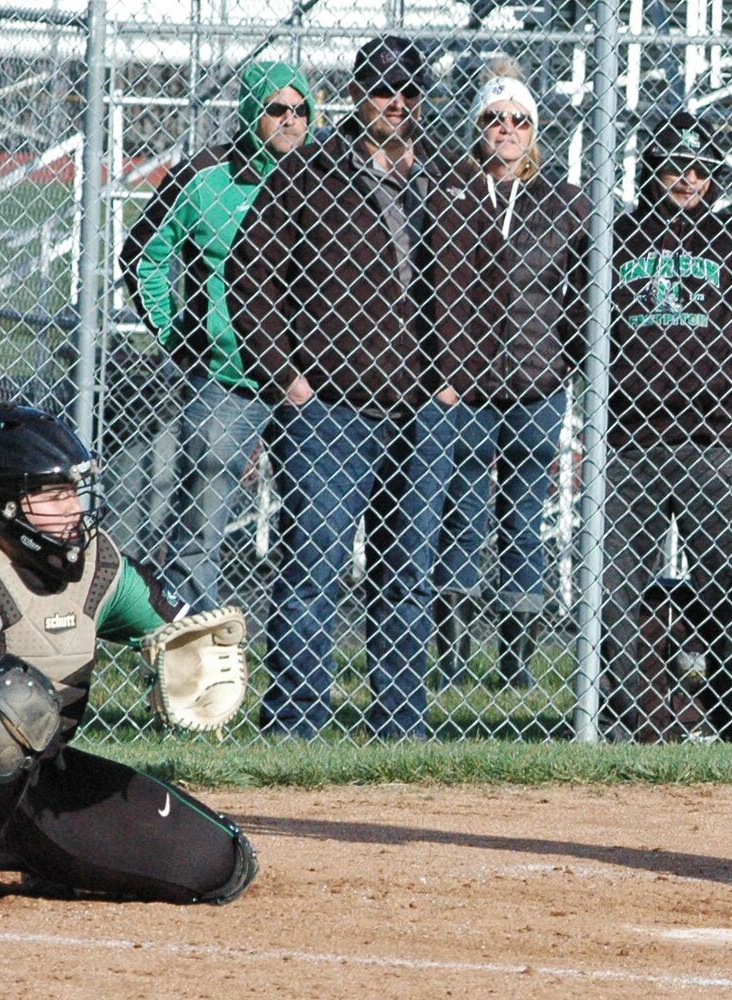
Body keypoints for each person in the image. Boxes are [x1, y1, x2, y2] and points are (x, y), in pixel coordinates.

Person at [229, 35, 438, 739]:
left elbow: (476, 284)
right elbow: (251, 277)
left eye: (410, 92)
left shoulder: (437, 177)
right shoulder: (310, 170)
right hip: (327, 410)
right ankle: (295, 722)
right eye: (384, 90)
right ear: (358, 94)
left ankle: (403, 726)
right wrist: (285, 375)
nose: (397, 104)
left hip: (420, 406)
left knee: (408, 574)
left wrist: (455, 380)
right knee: (313, 565)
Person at [0, 403, 257, 903]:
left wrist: (186, 659)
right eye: (53, 494)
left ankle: (48, 857)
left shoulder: (97, 566)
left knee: (220, 864)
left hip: (32, 792)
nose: (74, 510)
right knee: (6, 702)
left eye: (76, 492)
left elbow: (176, 631)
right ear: (1, 501)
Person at [602, 110, 732, 743]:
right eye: (673, 167)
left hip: (720, 438)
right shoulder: (617, 237)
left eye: (698, 169)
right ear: (651, 170)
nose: (686, 180)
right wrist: (626, 385)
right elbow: (579, 323)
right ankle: (624, 720)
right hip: (629, 441)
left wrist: (713, 385)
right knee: (616, 589)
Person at [414, 72, 589, 691]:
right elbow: (427, 286)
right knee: (461, 509)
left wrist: (565, 355)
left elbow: (588, 287)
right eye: (495, 118)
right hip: (461, 383)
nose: (507, 130)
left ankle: (515, 662)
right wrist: (441, 367)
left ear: (535, 132)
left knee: (523, 515)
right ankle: (454, 656)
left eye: (519, 120)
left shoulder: (565, 201)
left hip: (536, 380)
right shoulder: (449, 190)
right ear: (477, 128)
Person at [120, 61, 315, 609]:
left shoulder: (328, 179)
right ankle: (193, 656)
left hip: (313, 382)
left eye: (300, 110)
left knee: (314, 532)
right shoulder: (204, 177)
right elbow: (143, 256)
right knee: (200, 527)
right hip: (226, 377)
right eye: (277, 108)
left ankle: (294, 667)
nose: (290, 120)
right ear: (253, 112)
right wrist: (178, 330)